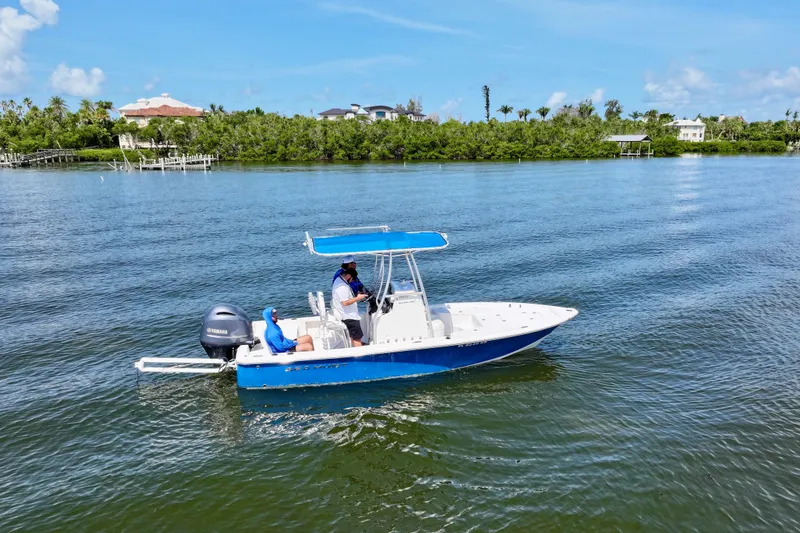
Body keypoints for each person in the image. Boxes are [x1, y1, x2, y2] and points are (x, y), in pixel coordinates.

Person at [331, 268, 368, 346]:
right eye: (352, 279)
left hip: (345, 314)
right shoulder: (342, 287)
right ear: (348, 276)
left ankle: (354, 346)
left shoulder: (338, 280)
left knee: (352, 336)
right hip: (349, 317)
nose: (352, 281)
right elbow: (345, 303)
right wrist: (358, 298)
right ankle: (360, 355)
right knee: (357, 338)